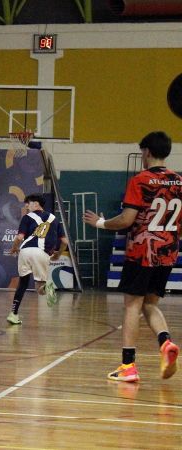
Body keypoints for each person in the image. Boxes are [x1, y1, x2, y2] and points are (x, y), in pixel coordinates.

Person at [83, 131, 180, 382]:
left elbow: (127, 219)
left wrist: (101, 223)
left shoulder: (141, 180)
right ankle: (165, 342)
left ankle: (128, 367)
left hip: (141, 253)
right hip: (168, 252)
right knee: (151, 303)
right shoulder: (179, 182)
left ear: (147, 152)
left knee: (132, 305)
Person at [7, 193, 69, 325]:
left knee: (22, 284)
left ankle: (13, 314)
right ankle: (48, 287)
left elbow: (19, 238)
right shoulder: (54, 219)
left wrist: (13, 248)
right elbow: (65, 241)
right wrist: (58, 254)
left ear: (36, 204)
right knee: (40, 289)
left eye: (28, 203)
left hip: (24, 251)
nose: (26, 206)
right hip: (41, 253)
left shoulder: (27, 217)